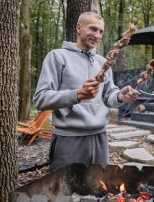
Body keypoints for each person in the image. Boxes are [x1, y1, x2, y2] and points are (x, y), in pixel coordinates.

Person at [33, 11, 139, 172]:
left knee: (98, 190)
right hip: (69, 139)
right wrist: (77, 95)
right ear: (79, 28)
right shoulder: (57, 57)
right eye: (93, 29)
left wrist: (119, 96)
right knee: (66, 193)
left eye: (101, 31)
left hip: (100, 138)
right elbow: (41, 98)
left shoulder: (103, 61)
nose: (97, 35)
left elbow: (108, 96)